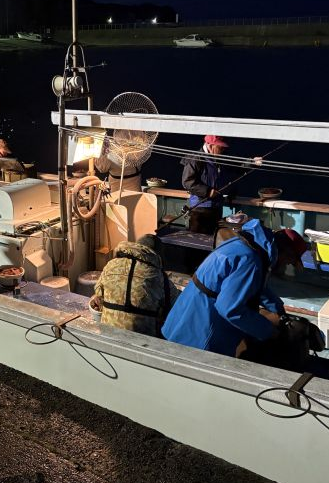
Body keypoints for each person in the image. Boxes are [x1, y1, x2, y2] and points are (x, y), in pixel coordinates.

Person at [162, 219, 307, 360]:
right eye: (289, 261)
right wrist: (269, 331)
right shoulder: (251, 261)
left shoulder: (244, 244)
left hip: (183, 317)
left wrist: (278, 308)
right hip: (201, 334)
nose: (286, 265)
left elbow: (253, 284)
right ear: (285, 252)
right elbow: (231, 309)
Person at [93, 234, 180, 337]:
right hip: (142, 341)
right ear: (156, 254)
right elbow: (178, 304)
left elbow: (98, 293)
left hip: (107, 333)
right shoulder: (158, 276)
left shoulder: (111, 265)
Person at [180, 135, 233, 234]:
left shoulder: (219, 158)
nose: (222, 150)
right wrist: (207, 191)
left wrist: (251, 162)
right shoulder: (195, 159)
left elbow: (236, 165)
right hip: (200, 210)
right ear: (210, 145)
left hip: (216, 208)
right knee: (197, 242)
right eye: (220, 147)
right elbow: (187, 182)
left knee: (213, 241)